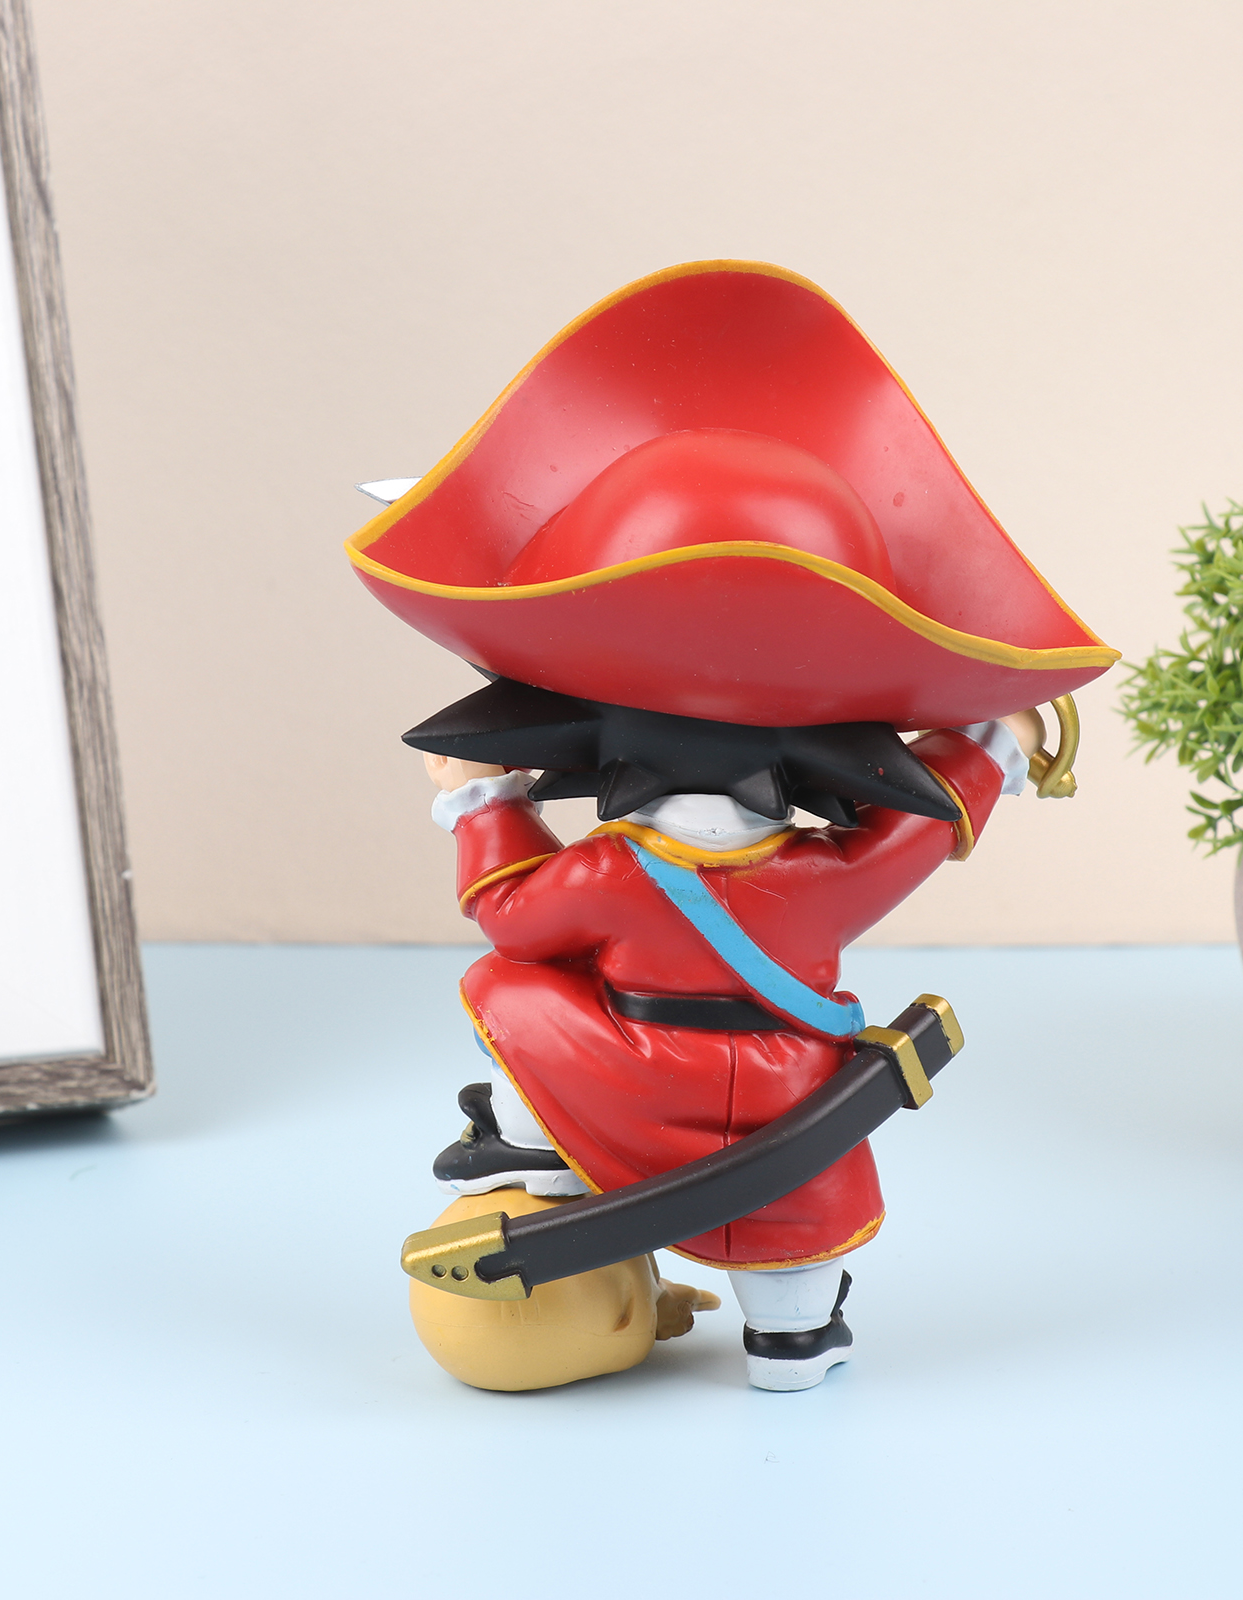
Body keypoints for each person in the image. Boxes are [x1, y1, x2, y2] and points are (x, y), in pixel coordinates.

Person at [346, 261, 1117, 1390]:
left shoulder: (612, 872)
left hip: (624, 1080)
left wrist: (482, 800)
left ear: (600, 740)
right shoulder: (822, 876)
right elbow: (923, 828)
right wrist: (997, 738)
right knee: (794, 1233)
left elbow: (507, 917)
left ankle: (544, 1141)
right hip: (787, 1098)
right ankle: (790, 1338)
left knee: (508, 988)